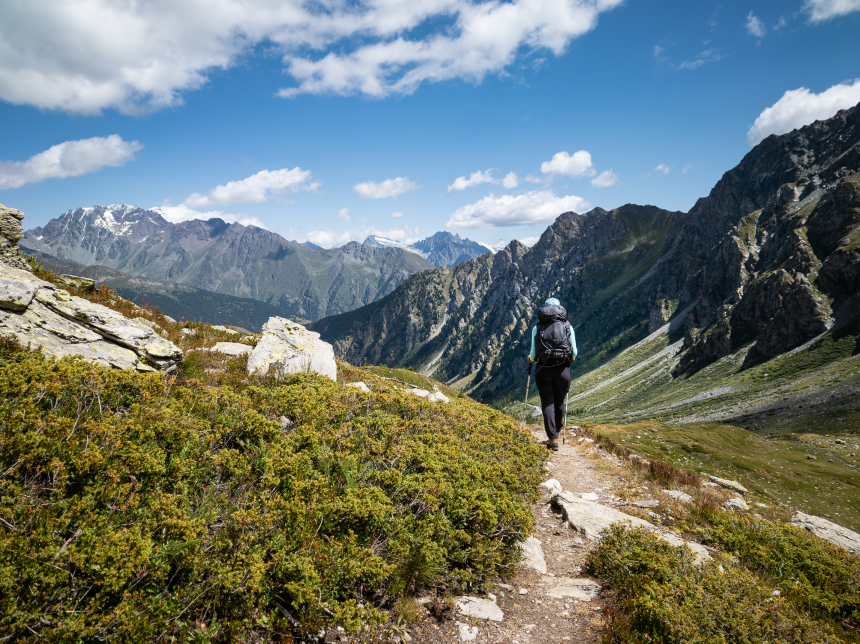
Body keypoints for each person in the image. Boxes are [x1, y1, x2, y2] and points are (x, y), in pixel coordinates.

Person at [528, 298, 577, 451]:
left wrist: (531, 359)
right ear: (560, 309)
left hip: (543, 370)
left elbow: (534, 355)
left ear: (545, 310)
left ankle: (552, 438)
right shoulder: (568, 326)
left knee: (548, 403)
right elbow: (574, 353)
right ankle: (557, 430)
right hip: (563, 371)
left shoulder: (537, 328)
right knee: (559, 401)